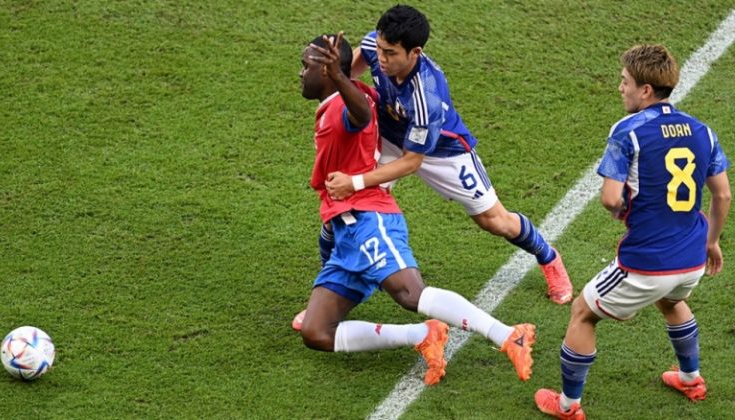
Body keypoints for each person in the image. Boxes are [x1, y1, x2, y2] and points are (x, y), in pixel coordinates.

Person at [298, 32, 536, 385]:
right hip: (347, 230)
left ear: (328, 71)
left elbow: (360, 116)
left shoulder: (344, 106)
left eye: (306, 66)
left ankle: (508, 335)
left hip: (369, 219)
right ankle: (422, 335)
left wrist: (338, 76)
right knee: (316, 331)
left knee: (411, 293)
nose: (301, 73)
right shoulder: (347, 96)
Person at [321, 4, 573, 306]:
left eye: (390, 53)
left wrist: (356, 181)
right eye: (380, 49)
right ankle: (327, 295)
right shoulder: (376, 45)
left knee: (494, 221)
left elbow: (411, 162)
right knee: (343, 207)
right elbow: (351, 71)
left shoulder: (427, 96)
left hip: (441, 151)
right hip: (390, 136)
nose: (382, 58)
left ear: (415, 52)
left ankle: (548, 257)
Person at [534, 44, 730, 419]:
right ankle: (690, 379)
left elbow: (610, 198)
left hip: (647, 262)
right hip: (692, 258)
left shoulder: (629, 131)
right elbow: (722, 194)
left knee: (582, 312)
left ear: (646, 90)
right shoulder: (702, 131)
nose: (620, 88)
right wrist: (713, 242)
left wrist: (622, 209)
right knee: (671, 301)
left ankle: (568, 406)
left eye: (625, 81)